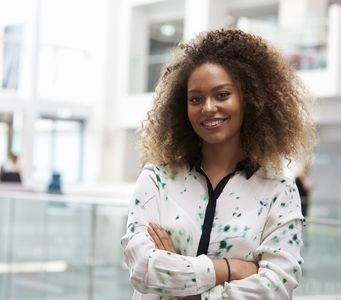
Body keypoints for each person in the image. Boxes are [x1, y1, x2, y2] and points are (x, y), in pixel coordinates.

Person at [120, 29, 317, 300]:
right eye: (195, 98)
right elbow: (143, 268)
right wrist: (231, 268)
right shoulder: (156, 179)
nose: (208, 108)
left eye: (222, 95)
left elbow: (276, 289)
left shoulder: (279, 193)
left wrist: (188, 291)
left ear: (248, 100)